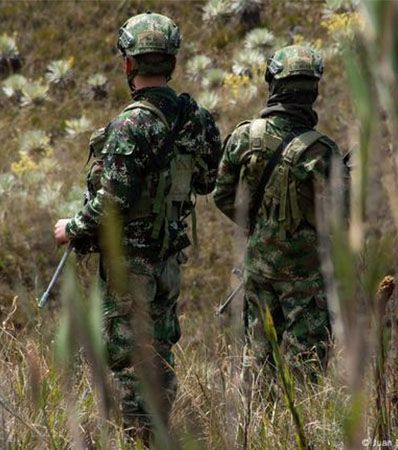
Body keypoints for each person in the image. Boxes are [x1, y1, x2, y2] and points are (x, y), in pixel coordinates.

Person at [53, 11, 222, 443]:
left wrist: (70, 228)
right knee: (161, 351)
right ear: (171, 62)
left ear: (129, 64)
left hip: (132, 266)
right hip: (169, 259)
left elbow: (110, 204)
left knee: (130, 361)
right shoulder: (196, 119)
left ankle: (140, 438)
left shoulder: (130, 125)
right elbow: (207, 180)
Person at [213, 44, 346, 387]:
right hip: (307, 280)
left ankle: (258, 433)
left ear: (273, 83)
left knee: (256, 370)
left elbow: (224, 195)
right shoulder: (323, 150)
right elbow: (342, 218)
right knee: (306, 372)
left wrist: (262, 227)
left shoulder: (245, 137)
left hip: (257, 272)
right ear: (312, 91)